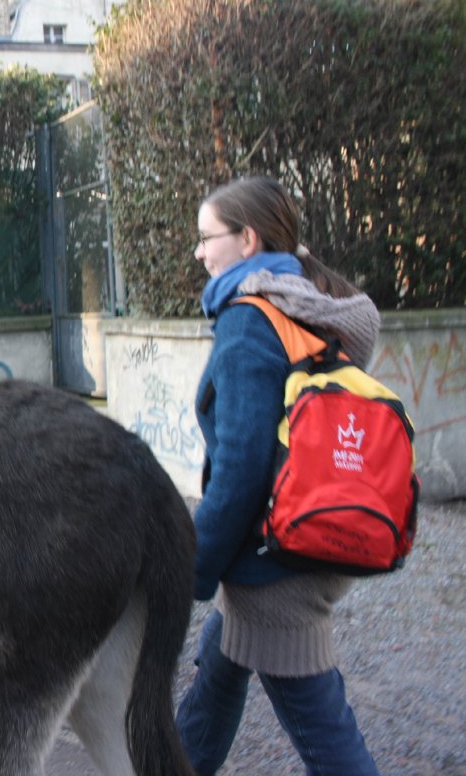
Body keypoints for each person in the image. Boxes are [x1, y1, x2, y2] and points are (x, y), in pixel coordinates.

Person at [175, 176, 382, 774]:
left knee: (324, 731)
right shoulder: (302, 303)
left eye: (206, 237)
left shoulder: (249, 321)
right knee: (215, 679)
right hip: (305, 534)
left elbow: (239, 472)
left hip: (274, 566)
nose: (198, 252)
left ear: (247, 239)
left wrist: (187, 568)